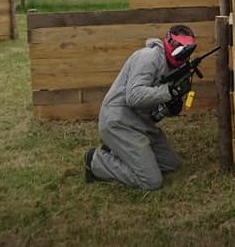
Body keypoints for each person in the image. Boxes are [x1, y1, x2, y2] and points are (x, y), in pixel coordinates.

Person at [84, 25, 198, 189]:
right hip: (119, 122)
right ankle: (96, 161)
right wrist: (168, 92)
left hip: (142, 124)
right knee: (151, 181)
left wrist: (173, 106)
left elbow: (158, 105)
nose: (181, 53)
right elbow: (134, 96)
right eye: (177, 47)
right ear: (168, 41)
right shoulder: (149, 57)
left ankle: (119, 151)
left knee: (170, 164)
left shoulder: (175, 68)